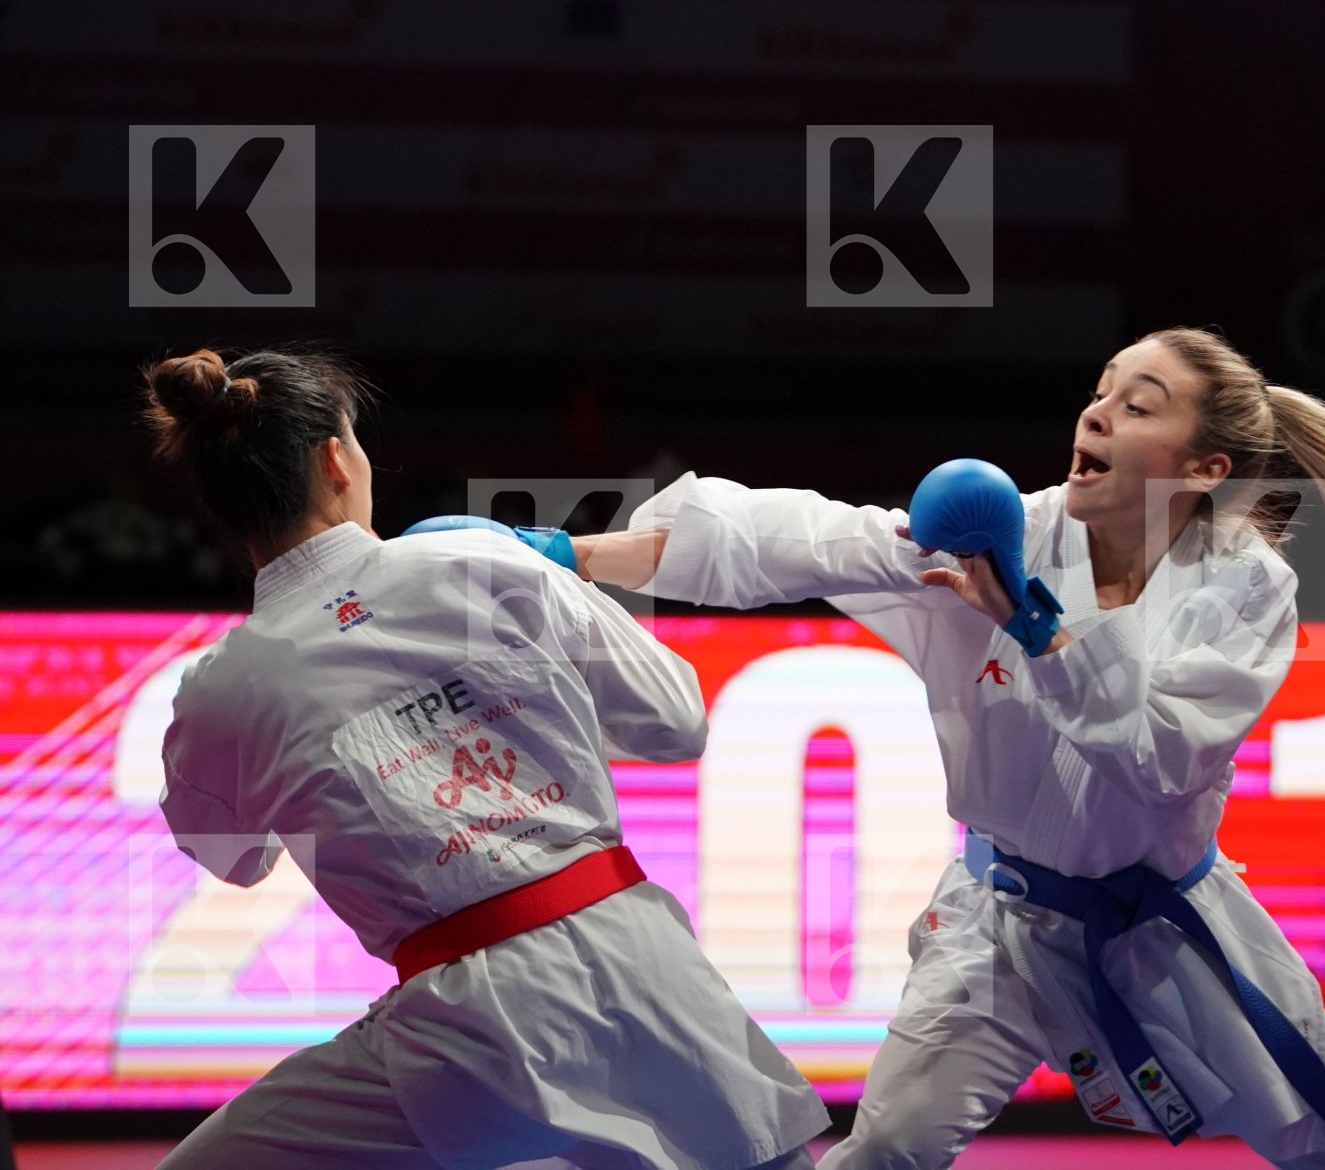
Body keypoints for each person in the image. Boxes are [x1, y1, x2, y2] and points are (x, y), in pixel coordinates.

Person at [571, 327, 1325, 1169]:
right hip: (999, 923)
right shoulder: (992, 535)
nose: (1098, 412)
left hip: (1168, 934)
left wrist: (1034, 626)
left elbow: (1158, 756)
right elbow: (780, 539)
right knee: (887, 1147)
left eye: (1140, 403)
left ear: (1206, 470)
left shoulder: (1246, 589)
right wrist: (572, 557)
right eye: (1101, 392)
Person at [142, 348, 827, 1170]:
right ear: (335, 459)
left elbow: (236, 863)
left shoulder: (224, 691)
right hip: (637, 972)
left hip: (456, 1031)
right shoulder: (483, 560)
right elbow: (675, 724)